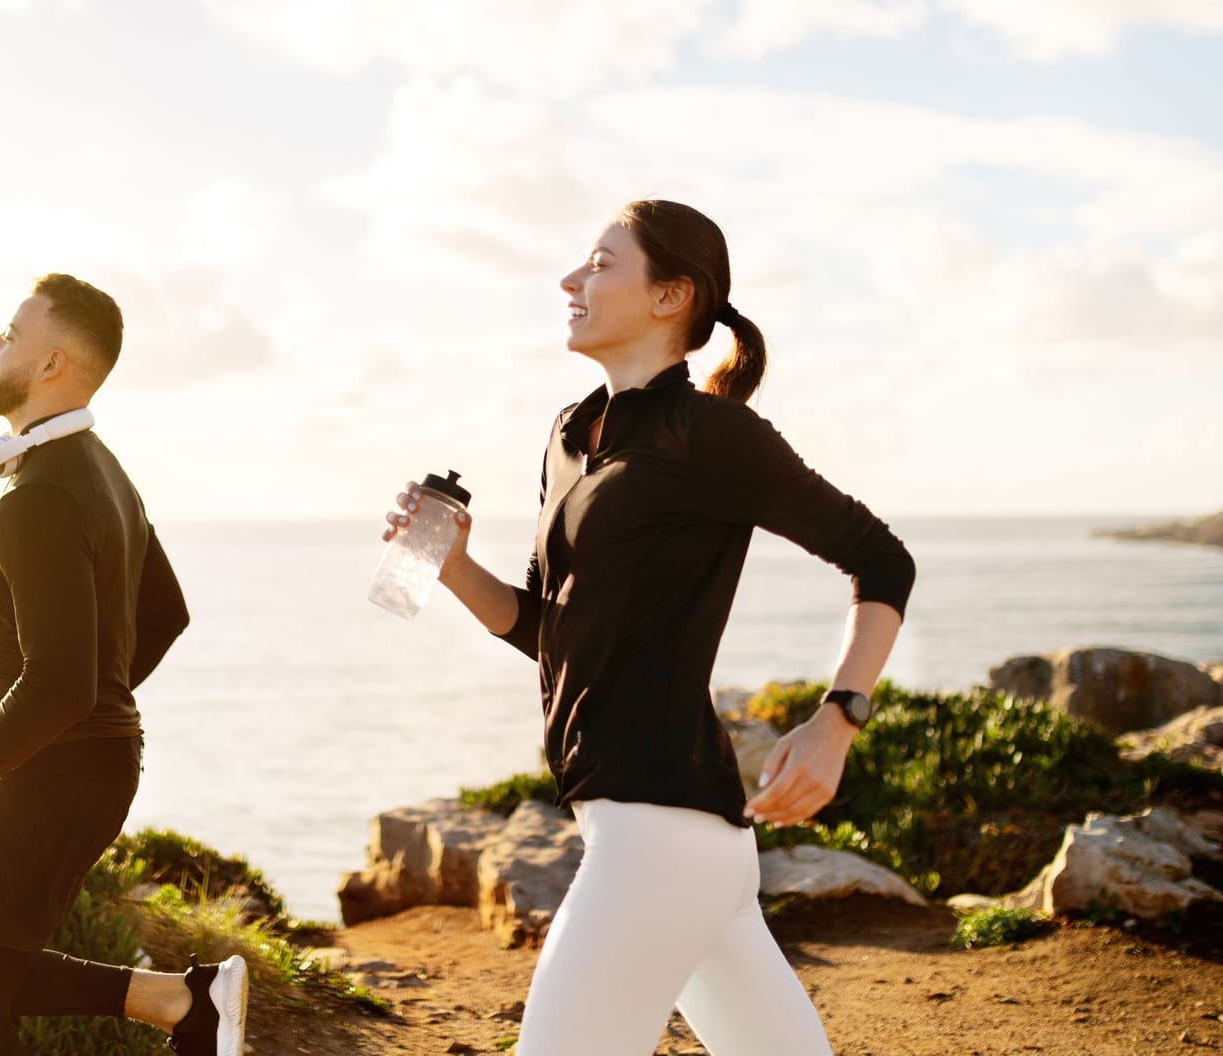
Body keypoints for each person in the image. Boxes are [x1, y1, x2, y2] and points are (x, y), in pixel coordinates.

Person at [382, 201, 915, 1055]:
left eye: (598, 263)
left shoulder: (712, 435)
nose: (570, 280)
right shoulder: (569, 433)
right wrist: (449, 567)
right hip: (663, 834)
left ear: (672, 296)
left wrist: (836, 719)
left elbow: (882, 560)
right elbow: (546, 629)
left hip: (660, 834)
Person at [0, 273, 248, 1055]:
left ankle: (191, 1004)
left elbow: (63, 684)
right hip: (74, 765)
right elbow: (162, 617)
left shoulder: (35, 499)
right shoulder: (100, 470)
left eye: (9, 333)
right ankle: (184, 1003)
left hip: (62, 773)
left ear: (51, 366)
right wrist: (85, 708)